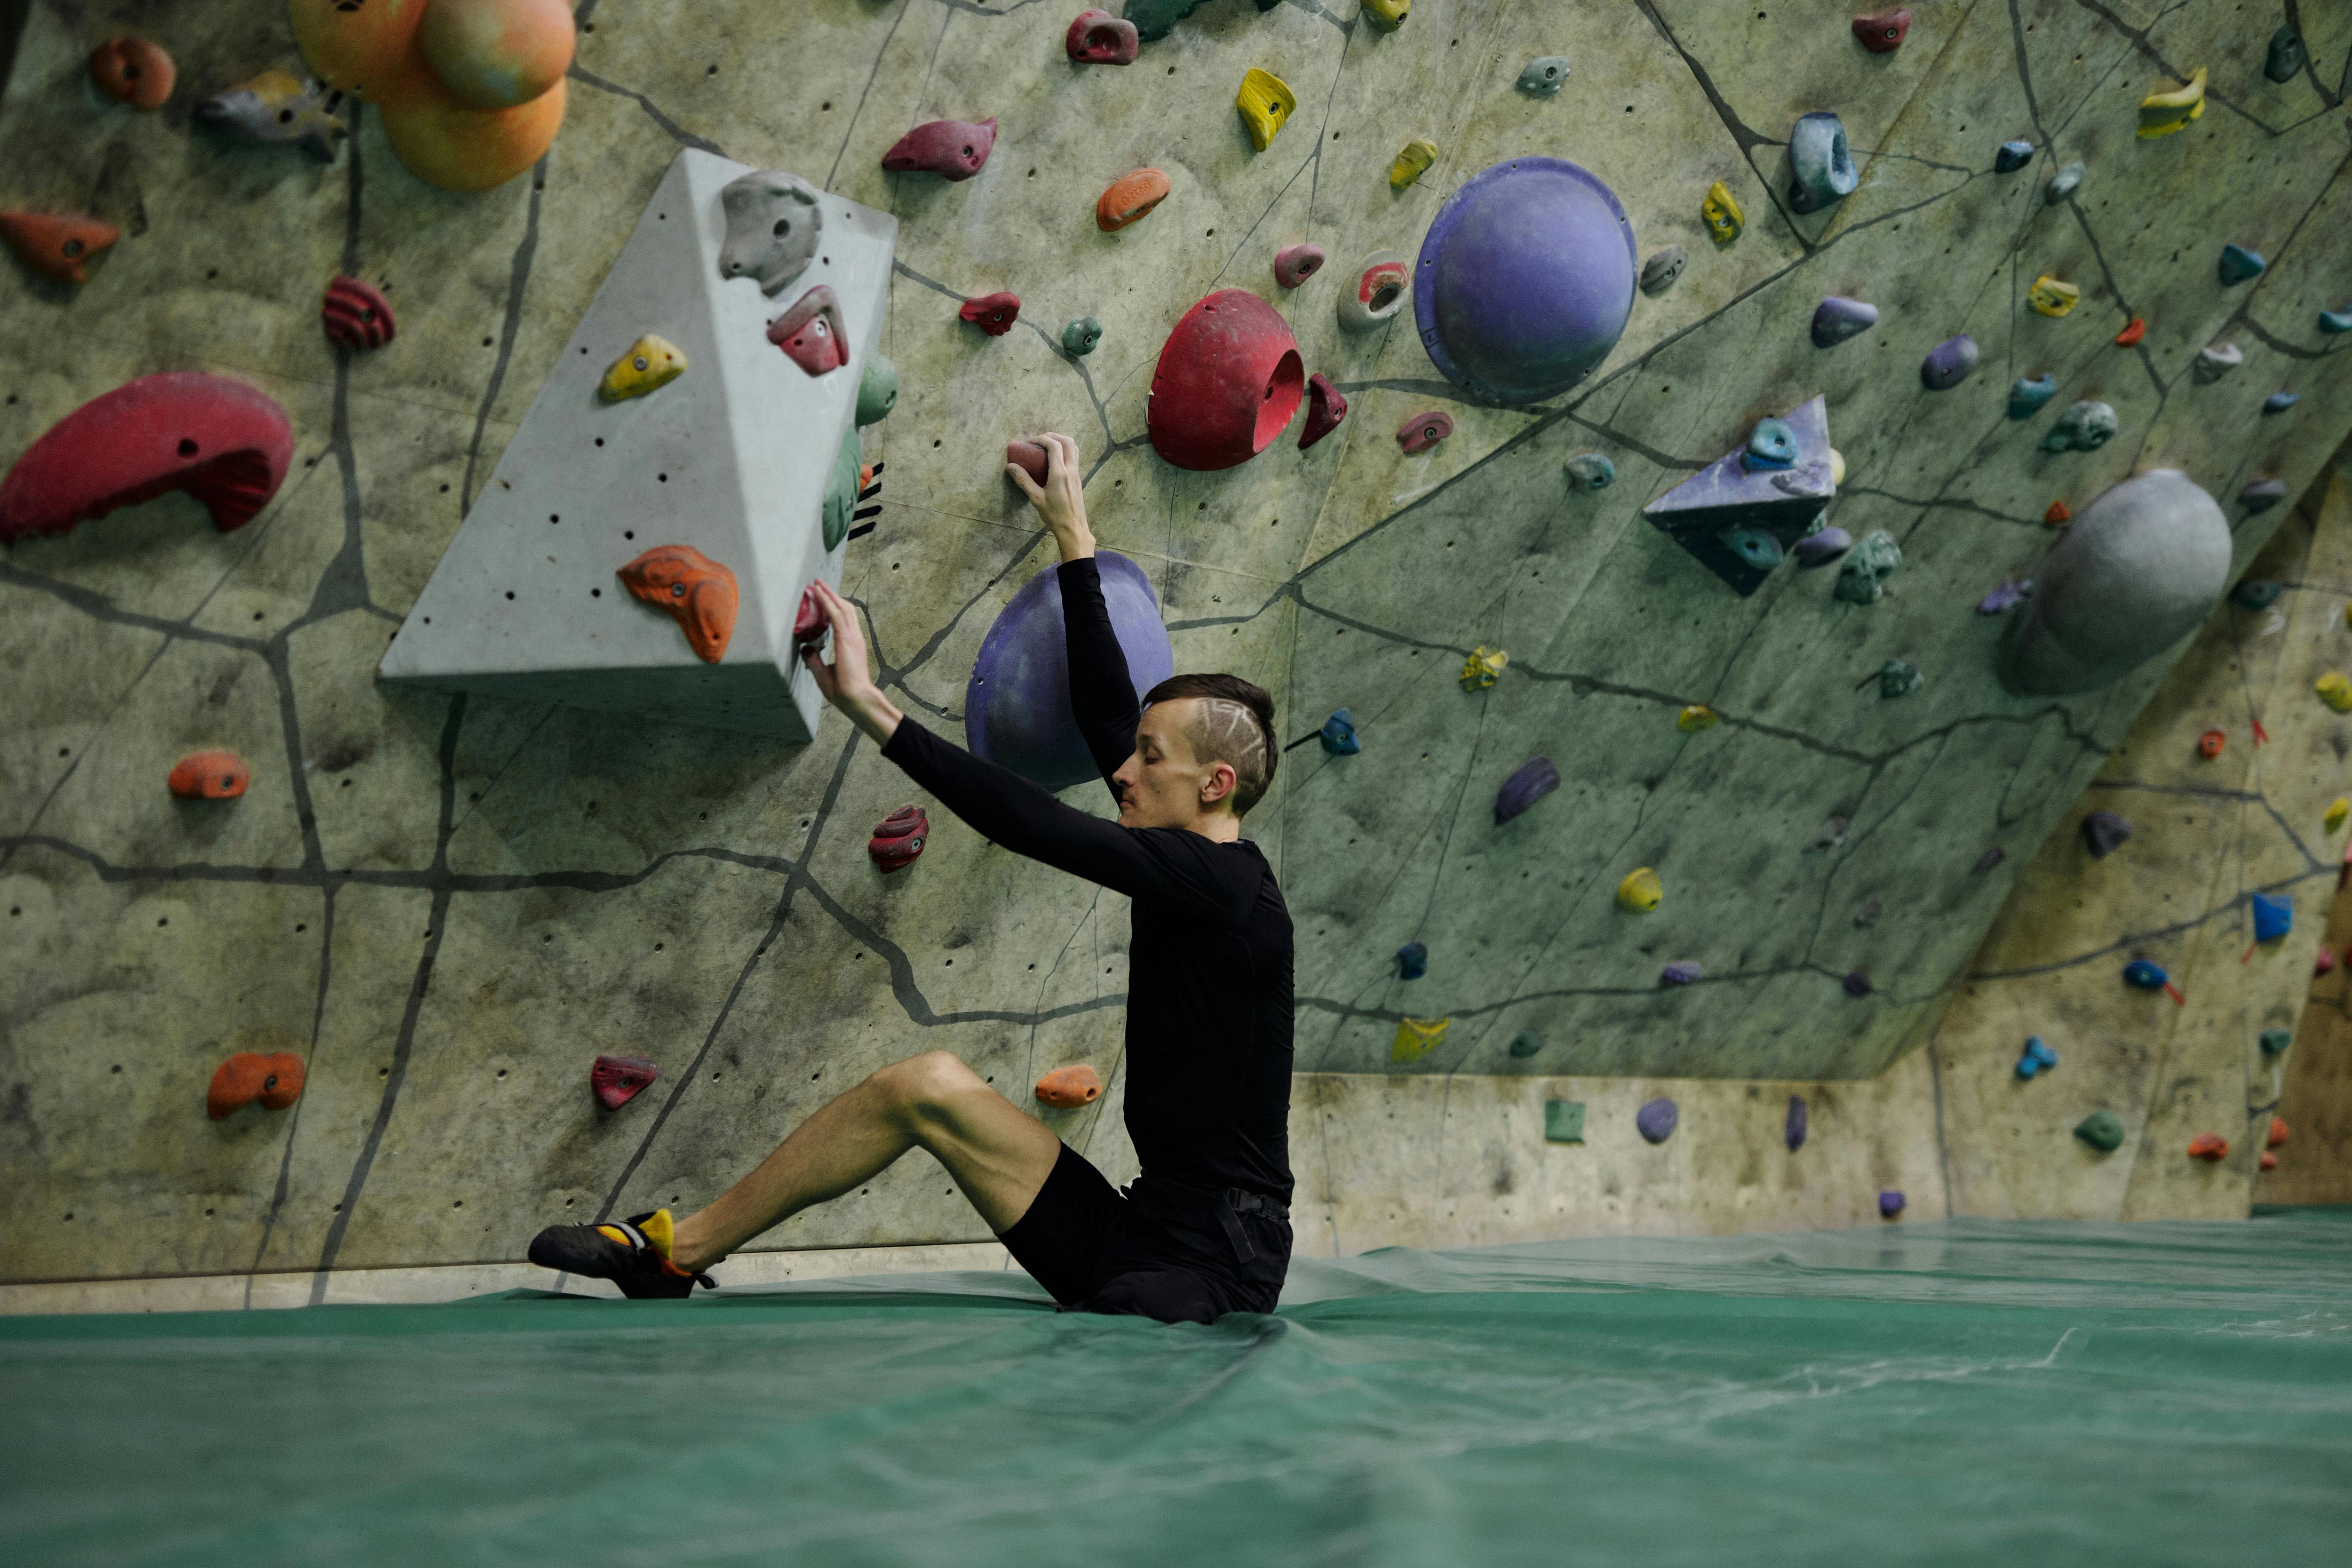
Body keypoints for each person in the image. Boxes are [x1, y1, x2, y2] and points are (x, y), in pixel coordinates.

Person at [528, 431, 1296, 1323]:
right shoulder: (1182, 848)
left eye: (1149, 758)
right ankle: (676, 1252)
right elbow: (1105, 714)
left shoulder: (1228, 887)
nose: (1123, 769)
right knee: (923, 1083)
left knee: (1109, 1338)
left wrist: (874, 707)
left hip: (1220, 1268)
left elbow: (1032, 823)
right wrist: (1074, 540)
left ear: (1216, 786)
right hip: (1142, 1221)